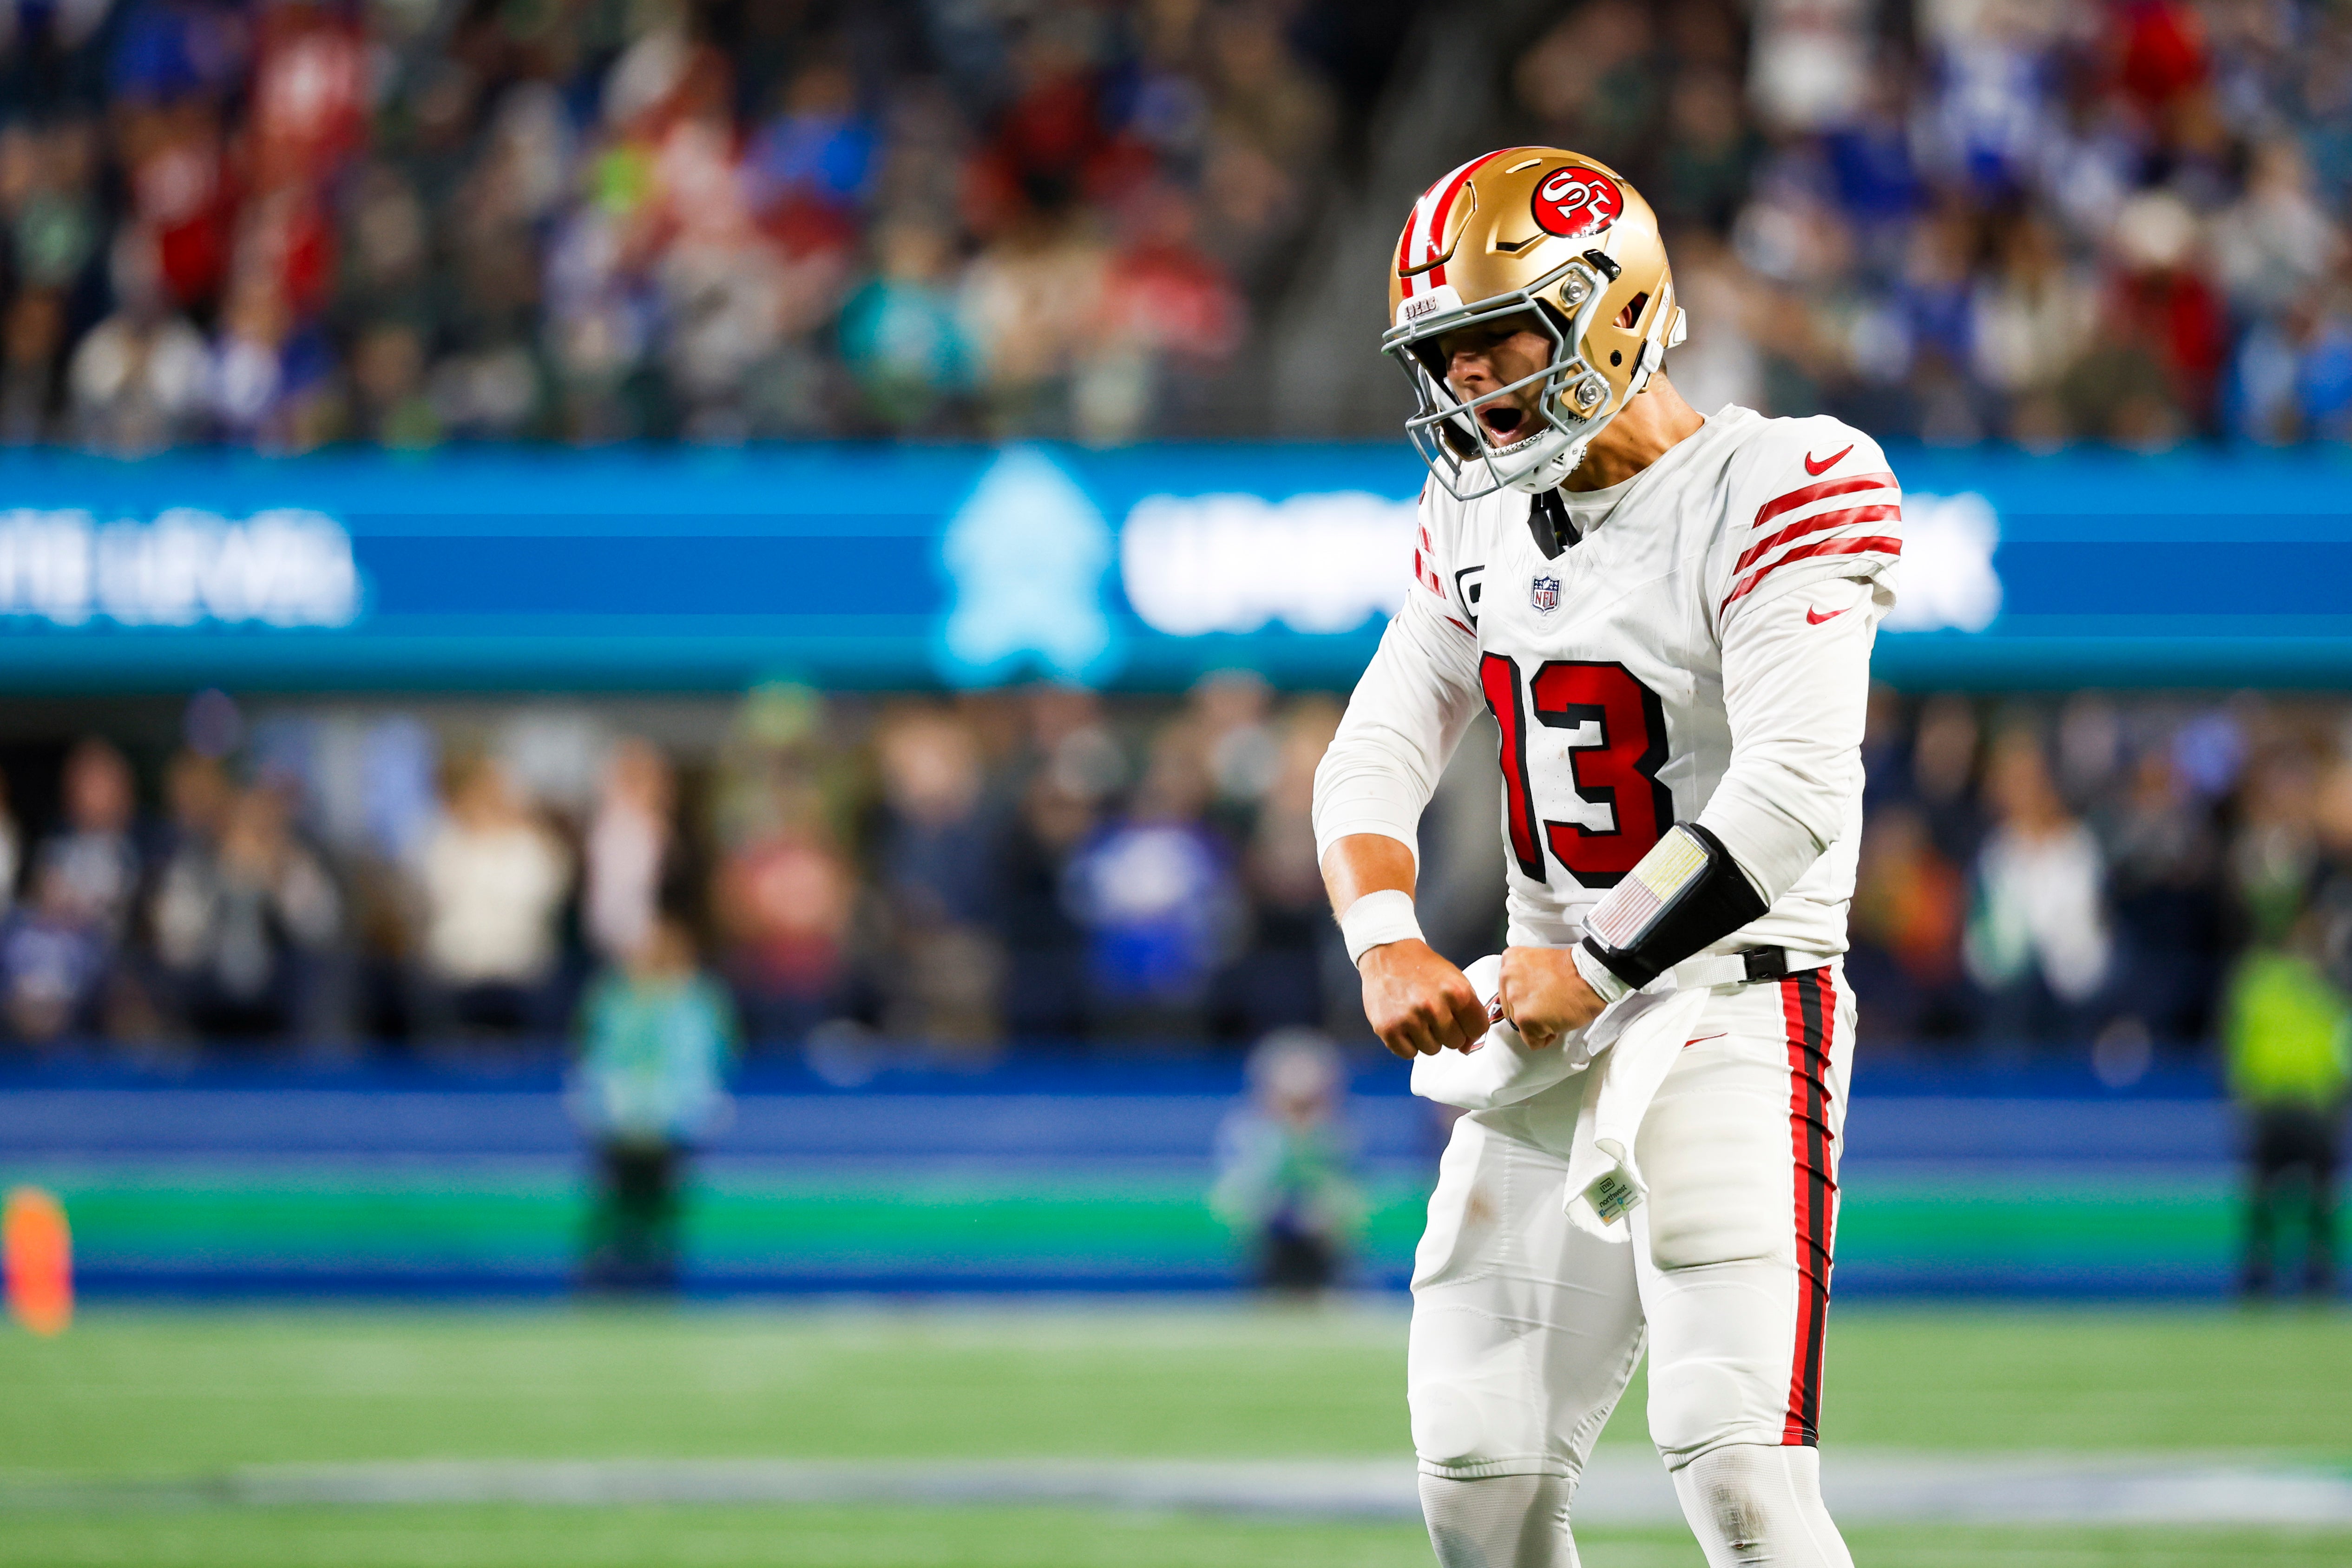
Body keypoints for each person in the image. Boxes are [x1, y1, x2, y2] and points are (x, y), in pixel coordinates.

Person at [1312, 150, 1900, 1568]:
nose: (1468, 384)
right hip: (1547, 1020)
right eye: (1441, 355)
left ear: (1613, 304)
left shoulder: (1784, 478)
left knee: (1738, 1468)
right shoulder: (1474, 511)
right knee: (1477, 1463)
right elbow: (1379, 739)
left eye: (1494, 336)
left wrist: (1593, 957)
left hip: (1737, 1007)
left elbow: (1794, 791)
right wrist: (1385, 935)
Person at [568, 915, 738, 1292]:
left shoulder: (695, 1002)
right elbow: (599, 1057)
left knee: (663, 1209)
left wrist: (677, 1113)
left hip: (672, 1125)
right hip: (620, 1126)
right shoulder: (614, 999)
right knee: (614, 1206)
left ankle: (661, 1280)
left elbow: (701, 1062)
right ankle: (602, 1280)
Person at [2221, 912, 2348, 1297]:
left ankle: (2306, 1275)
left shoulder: (2260, 980)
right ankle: (2272, 1276)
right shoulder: (2286, 983)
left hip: (2302, 1107)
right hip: (2284, 1106)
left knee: (2309, 1200)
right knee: (2270, 1200)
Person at [1210, 1029, 1364, 1292]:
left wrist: (1323, 1211)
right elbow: (1233, 1199)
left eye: (1309, 1103)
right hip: (1267, 1249)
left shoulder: (1336, 1136)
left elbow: (1350, 1203)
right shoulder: (1248, 1134)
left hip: (1324, 1253)